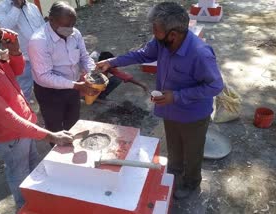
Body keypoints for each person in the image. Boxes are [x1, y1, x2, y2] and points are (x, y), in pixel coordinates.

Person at [96, 2, 224, 199]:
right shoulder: (162, 42)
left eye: (155, 29)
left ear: (173, 34)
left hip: (193, 115)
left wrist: (177, 96)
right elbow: (142, 54)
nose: (152, 32)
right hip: (169, 110)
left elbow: (215, 86)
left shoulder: (200, 53)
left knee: (192, 151)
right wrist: (112, 62)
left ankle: (191, 183)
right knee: (173, 144)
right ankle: (174, 172)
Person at [0, 3, 74, 209]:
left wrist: (15, 51)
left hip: (24, 125)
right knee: (19, 173)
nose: (0, 31)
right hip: (10, 135)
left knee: (32, 165)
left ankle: (39, 198)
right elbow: (6, 117)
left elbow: (16, 72)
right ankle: (26, 207)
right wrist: (50, 135)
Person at [28, 1, 99, 147]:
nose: (70, 30)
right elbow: (44, 76)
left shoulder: (75, 33)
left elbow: (84, 57)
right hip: (50, 92)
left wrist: (92, 72)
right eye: (66, 26)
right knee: (55, 129)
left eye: (72, 25)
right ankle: (57, 158)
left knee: (73, 122)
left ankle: (71, 151)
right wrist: (76, 85)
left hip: (73, 86)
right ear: (51, 20)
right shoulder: (39, 41)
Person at [0, 0, 45, 102]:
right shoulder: (1, 7)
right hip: (22, 58)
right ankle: (25, 113)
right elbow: (3, 28)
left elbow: (42, 27)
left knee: (44, 84)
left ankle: (44, 108)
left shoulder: (32, 7)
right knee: (24, 89)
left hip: (40, 55)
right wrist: (16, 8)